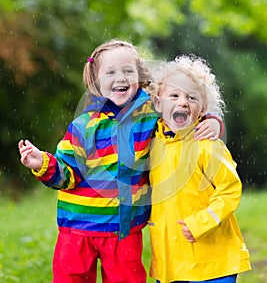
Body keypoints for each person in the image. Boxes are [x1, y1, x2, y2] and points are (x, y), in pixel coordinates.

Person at [18, 39, 223, 283]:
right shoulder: (82, 127)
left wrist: (210, 120)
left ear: (139, 75)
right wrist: (41, 163)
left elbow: (183, 110)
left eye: (128, 71)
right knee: (70, 278)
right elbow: (66, 175)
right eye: (110, 72)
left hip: (124, 230)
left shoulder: (151, 114)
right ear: (95, 80)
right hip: (77, 229)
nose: (121, 78)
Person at [148, 55, 251, 283]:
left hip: (213, 262)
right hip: (171, 263)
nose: (183, 102)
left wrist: (202, 222)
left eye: (191, 98)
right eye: (174, 95)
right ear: (157, 103)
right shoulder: (150, 145)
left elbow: (229, 189)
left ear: (203, 108)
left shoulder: (207, 145)